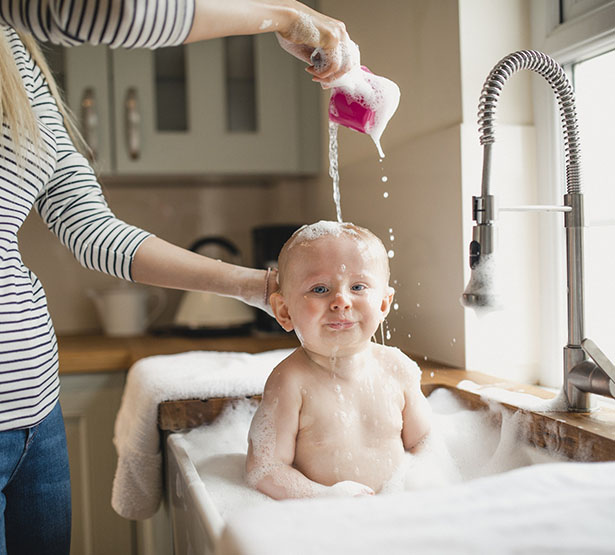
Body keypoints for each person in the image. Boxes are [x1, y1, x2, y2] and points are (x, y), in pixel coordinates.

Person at [0, 1, 357, 553]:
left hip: (35, 414)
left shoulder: (19, 57)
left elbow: (91, 228)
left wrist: (256, 286)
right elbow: (119, 13)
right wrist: (286, 15)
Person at [245, 221, 432, 499]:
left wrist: (423, 488)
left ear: (383, 304)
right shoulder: (291, 381)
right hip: (325, 521)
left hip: (395, 509)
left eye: (358, 286)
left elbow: (424, 444)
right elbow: (265, 468)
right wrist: (324, 497)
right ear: (284, 311)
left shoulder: (397, 368)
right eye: (320, 289)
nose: (341, 301)